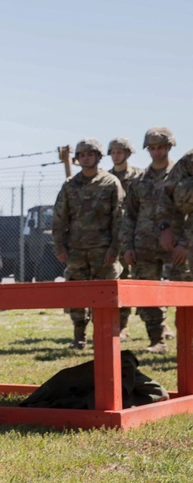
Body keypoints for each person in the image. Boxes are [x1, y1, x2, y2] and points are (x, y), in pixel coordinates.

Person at [52, 138, 125, 350]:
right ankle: (79, 338)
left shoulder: (111, 183)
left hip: (103, 252)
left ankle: (104, 339)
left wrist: (115, 249)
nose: (86, 158)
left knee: (105, 298)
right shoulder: (70, 185)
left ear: (98, 157)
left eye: (90, 154)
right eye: (82, 155)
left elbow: (119, 218)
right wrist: (60, 248)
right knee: (76, 296)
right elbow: (59, 219)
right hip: (76, 252)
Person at [121, 127, 188, 352]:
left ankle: (185, 342)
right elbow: (129, 215)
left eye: (161, 147)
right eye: (152, 148)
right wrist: (128, 246)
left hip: (175, 245)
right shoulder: (138, 180)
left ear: (169, 147)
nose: (156, 152)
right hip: (144, 247)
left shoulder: (181, 176)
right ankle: (156, 340)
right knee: (148, 295)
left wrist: (185, 242)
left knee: (184, 292)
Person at [107, 137, 143, 339]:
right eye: (113, 152)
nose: (116, 155)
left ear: (128, 153)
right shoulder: (105, 178)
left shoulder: (139, 177)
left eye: (120, 152)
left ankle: (159, 326)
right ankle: (121, 325)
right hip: (113, 237)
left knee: (140, 280)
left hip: (135, 236)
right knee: (118, 281)